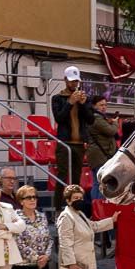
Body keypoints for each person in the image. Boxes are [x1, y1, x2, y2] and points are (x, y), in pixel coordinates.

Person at [51, 66, 94, 206]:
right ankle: (57, 207)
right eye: (71, 81)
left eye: (76, 81)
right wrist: (70, 103)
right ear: (65, 80)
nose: (74, 84)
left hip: (79, 144)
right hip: (64, 143)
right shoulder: (57, 98)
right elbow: (59, 118)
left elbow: (91, 119)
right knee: (62, 175)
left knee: (76, 178)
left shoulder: (83, 98)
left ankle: (75, 206)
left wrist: (82, 105)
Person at [87, 90, 119, 199]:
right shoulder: (96, 118)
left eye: (105, 105)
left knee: (99, 183)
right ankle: (98, 208)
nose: (104, 107)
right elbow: (111, 131)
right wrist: (115, 123)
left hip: (99, 155)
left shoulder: (98, 117)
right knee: (100, 183)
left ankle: (97, 207)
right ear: (94, 106)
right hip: (99, 156)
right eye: (101, 105)